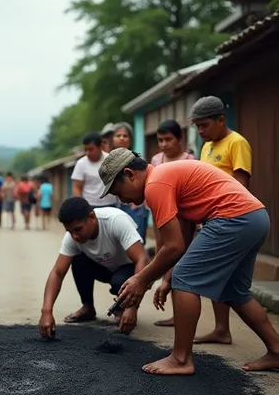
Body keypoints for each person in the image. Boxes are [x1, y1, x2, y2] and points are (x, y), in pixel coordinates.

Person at [98, 148, 279, 375]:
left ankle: (181, 358)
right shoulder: (167, 177)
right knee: (235, 292)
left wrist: (141, 280)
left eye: (118, 190)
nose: (121, 199)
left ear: (130, 174)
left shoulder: (156, 185)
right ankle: (276, 350)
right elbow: (181, 241)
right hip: (255, 218)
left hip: (233, 218)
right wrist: (165, 278)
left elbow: (173, 246)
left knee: (184, 279)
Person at [190, 96, 253, 346]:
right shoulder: (206, 147)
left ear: (221, 120)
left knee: (232, 283)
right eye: (197, 127)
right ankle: (221, 329)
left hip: (231, 218)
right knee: (219, 276)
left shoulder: (237, 143)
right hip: (211, 218)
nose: (201, 131)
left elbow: (241, 185)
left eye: (204, 125)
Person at [39, 197, 149, 336]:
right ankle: (88, 308)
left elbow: (142, 259)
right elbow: (57, 272)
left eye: (78, 229)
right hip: (104, 267)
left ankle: (122, 307)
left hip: (129, 269)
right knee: (77, 259)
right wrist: (46, 312)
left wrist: (132, 307)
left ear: (92, 217)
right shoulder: (72, 237)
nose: (75, 236)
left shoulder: (115, 220)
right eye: (70, 231)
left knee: (118, 282)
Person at [151, 119, 195, 327]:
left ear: (180, 139)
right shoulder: (156, 160)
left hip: (183, 219)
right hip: (162, 219)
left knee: (181, 265)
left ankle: (180, 315)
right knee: (166, 260)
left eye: (168, 139)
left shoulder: (189, 160)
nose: (164, 144)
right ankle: (174, 312)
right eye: (160, 140)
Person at [112, 122, 149, 243]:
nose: (122, 138)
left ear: (130, 139)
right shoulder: (108, 163)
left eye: (125, 135)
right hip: (118, 206)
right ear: (112, 139)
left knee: (138, 239)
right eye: (118, 135)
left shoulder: (137, 159)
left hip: (137, 207)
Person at [71, 132, 118, 208]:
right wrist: (80, 207)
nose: (87, 153)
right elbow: (76, 187)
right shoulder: (81, 164)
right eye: (85, 150)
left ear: (101, 147)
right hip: (89, 205)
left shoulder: (111, 160)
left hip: (111, 205)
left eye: (91, 149)